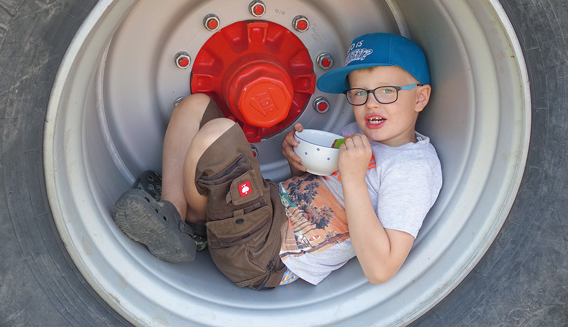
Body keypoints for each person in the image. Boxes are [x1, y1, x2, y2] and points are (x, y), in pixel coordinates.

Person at [112, 32, 442, 289]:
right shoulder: (354, 131)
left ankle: (191, 224)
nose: (371, 105)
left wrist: (353, 177)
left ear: (421, 96)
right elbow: (317, 191)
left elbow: (381, 268)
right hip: (264, 209)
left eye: (387, 91)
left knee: (218, 133)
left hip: (265, 254)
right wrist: (296, 166)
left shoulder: (412, 169)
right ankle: (174, 215)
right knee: (194, 106)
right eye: (359, 93)